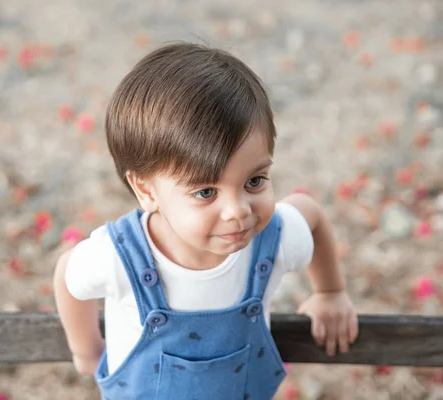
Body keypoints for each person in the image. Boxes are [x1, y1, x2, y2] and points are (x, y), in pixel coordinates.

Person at [53, 42, 358, 400]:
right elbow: (67, 273)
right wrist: (86, 348)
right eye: (205, 192)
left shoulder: (272, 240)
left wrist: (330, 292)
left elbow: (310, 213)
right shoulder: (119, 257)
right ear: (146, 190)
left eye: (254, 181)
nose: (238, 211)